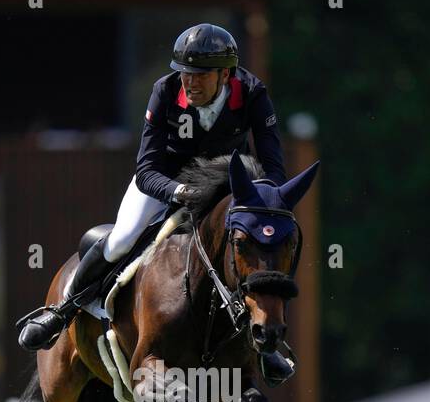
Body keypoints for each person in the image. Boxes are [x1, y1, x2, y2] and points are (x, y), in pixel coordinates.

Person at [17, 23, 288, 351]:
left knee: (259, 247)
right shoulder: (165, 91)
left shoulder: (252, 93)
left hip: (224, 188)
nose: (190, 82)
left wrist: (266, 200)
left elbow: (272, 163)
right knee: (121, 239)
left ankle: (265, 343)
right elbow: (146, 170)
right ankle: (63, 310)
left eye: (201, 75)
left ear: (225, 74)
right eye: (185, 73)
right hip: (166, 182)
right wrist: (178, 192)